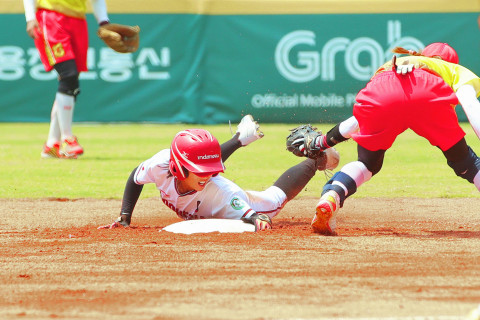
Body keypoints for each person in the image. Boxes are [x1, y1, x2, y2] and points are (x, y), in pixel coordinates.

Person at [288, 42, 480, 235]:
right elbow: (471, 107)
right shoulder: (455, 70)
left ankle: (332, 195)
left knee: (367, 163)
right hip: (430, 92)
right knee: (467, 163)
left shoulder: (396, 63)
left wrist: (322, 142)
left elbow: (358, 120)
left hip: (382, 89)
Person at [98, 115, 340, 231]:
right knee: (200, 160)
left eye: (212, 170)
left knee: (273, 199)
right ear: (178, 167)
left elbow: (258, 218)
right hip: (192, 184)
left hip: (238, 203)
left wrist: (258, 220)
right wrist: (125, 217)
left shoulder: (224, 194)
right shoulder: (160, 164)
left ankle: (317, 157)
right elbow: (135, 177)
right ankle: (240, 138)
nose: (207, 175)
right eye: (200, 171)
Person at [23, 0, 111, 158]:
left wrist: (103, 21)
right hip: (51, 17)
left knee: (71, 80)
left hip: (78, 21)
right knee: (68, 75)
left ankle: (52, 144)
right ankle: (67, 139)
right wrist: (30, 17)